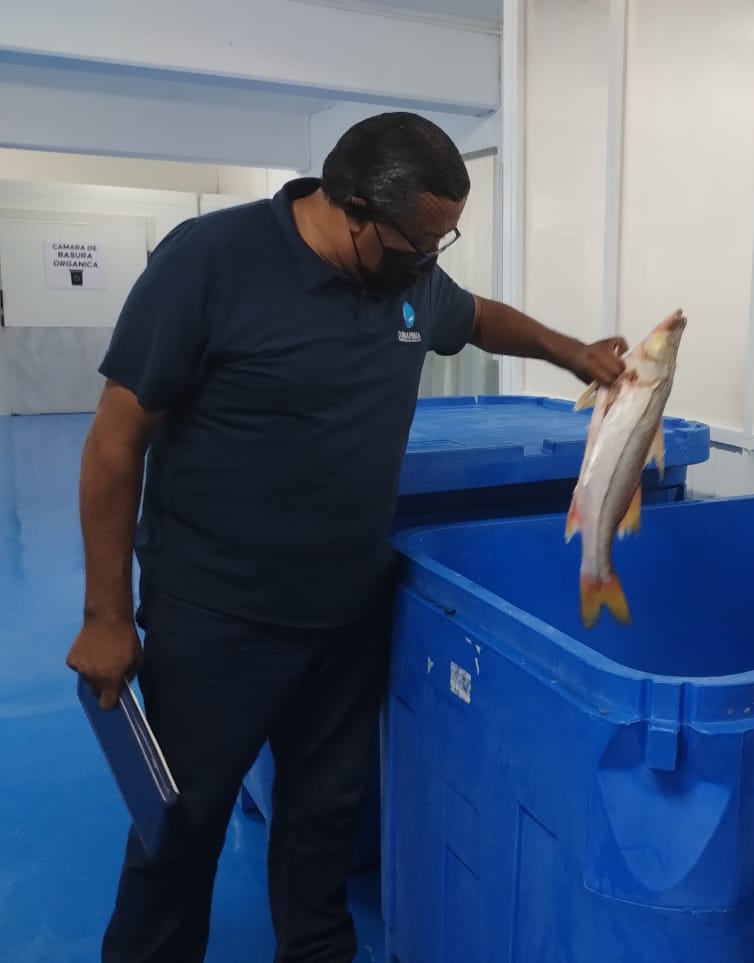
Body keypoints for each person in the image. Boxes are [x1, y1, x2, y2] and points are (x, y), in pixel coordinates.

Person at [64, 111, 627, 962]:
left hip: (348, 613)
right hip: (217, 619)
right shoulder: (211, 262)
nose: (429, 259)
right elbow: (115, 443)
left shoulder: (407, 273)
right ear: (352, 205)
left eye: (442, 241)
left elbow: (476, 317)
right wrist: (105, 614)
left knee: (324, 821)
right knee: (181, 828)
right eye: (417, 241)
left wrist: (570, 351)